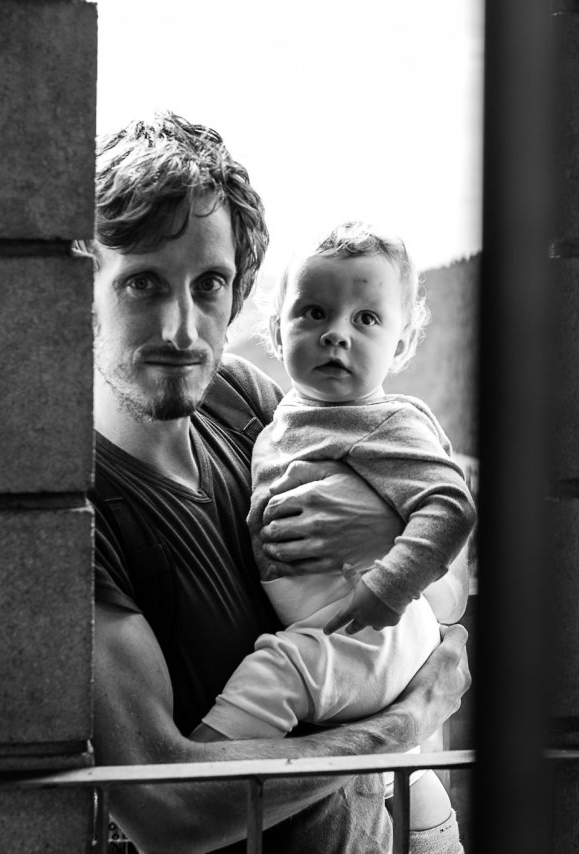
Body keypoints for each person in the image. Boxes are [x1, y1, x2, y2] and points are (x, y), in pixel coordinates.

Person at [82, 112, 470, 854]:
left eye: (210, 284)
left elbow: (444, 594)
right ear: (83, 289)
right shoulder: (76, 511)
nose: (182, 329)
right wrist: (402, 725)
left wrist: (388, 539)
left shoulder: (246, 404)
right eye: (141, 283)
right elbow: (168, 810)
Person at [192, 222, 477, 851]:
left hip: (364, 625)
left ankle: (193, 771)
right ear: (276, 330)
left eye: (366, 319)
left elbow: (450, 506)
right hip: (354, 624)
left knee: (279, 669)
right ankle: (430, 828)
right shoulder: (285, 413)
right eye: (314, 312)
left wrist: (387, 587)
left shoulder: (382, 421)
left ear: (402, 344)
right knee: (410, 779)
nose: (336, 333)